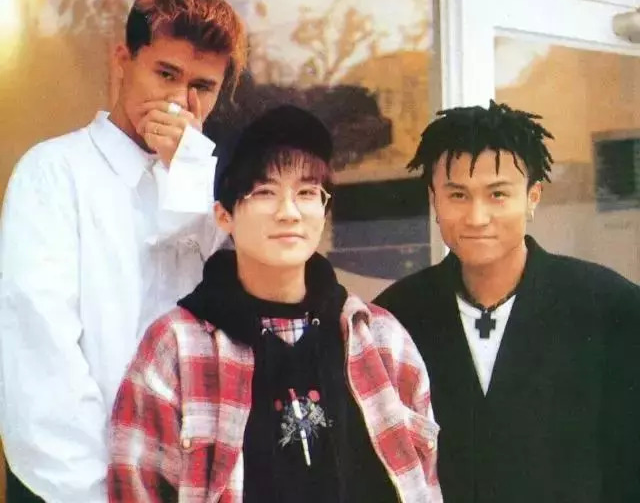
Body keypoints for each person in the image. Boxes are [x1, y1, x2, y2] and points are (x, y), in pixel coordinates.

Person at [108, 105, 443, 503]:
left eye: (306, 193)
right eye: (265, 192)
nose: (289, 212)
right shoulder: (176, 347)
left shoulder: (381, 339)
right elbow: (134, 489)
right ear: (224, 215)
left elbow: (423, 485)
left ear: (324, 211)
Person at [0, 0, 246, 501]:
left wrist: (189, 170)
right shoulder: (54, 172)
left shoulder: (216, 190)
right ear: (122, 61)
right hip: (74, 485)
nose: (180, 101)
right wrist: (99, 489)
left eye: (202, 86)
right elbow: (40, 349)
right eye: (165, 74)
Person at [374, 101, 640, 503]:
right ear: (434, 199)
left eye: (498, 194)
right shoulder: (395, 317)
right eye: (458, 195)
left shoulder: (611, 306)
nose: (477, 217)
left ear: (533, 197)